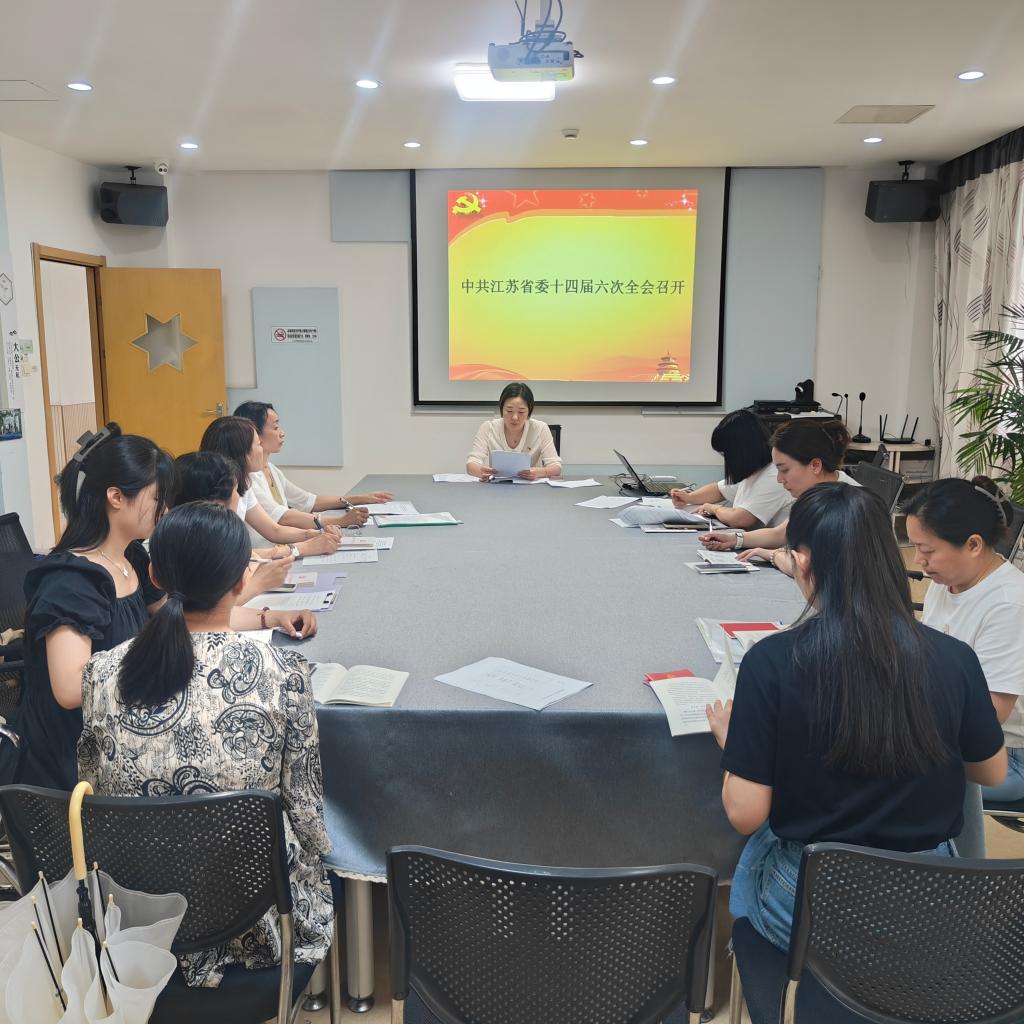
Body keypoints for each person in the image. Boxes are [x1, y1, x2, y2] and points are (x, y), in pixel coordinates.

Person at [705, 484, 1006, 951]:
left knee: (758, 867)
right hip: (933, 901)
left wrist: (737, 748)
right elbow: (990, 771)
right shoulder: (955, 657)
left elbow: (746, 815)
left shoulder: (773, 660)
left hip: (815, 897)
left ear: (802, 561)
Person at [78, 501, 333, 988]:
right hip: (254, 923)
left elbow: (96, 792)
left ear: (155, 575)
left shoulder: (102, 672)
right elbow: (308, 817)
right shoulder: (285, 675)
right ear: (241, 581)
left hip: (139, 923)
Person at [0, 426, 174, 790]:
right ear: (116, 497)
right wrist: (155, 660)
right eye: (157, 497)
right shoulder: (71, 581)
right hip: (72, 761)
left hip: (121, 727)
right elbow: (69, 688)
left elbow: (174, 617)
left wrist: (267, 615)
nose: (165, 510)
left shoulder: (131, 556)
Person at [905, 476, 1024, 803]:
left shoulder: (1009, 604)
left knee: (885, 774)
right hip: (951, 733)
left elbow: (991, 713)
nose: (918, 560)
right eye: (915, 547)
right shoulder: (949, 581)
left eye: (927, 550)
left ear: (973, 545)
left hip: (1005, 754)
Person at [699, 418, 859, 575]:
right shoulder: (814, 492)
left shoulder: (846, 503)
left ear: (815, 465)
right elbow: (780, 534)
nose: (779, 479)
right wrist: (733, 539)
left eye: (784, 470)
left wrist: (772, 555)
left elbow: (810, 568)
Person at [234, 400, 392, 529]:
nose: (282, 433)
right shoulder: (248, 479)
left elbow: (308, 501)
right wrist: (340, 521)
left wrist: (360, 498)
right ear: (253, 433)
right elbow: (283, 517)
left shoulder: (271, 469)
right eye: (275, 427)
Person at [200, 416, 345, 552]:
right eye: (258, 444)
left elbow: (274, 530)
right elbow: (234, 556)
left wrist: (314, 534)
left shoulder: (243, 483)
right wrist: (306, 547)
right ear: (241, 452)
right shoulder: (217, 493)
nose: (261, 449)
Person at [668, 409, 792, 528]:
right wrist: (689, 497)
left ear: (741, 451)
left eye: (726, 454)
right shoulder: (751, 470)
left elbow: (741, 519)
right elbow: (718, 490)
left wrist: (713, 508)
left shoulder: (774, 476)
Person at [466, 382, 562, 480]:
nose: (515, 417)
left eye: (521, 412)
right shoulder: (489, 428)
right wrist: (480, 472)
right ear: (501, 409)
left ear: (529, 411)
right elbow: (471, 464)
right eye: (509, 411)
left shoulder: (540, 429)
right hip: (497, 486)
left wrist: (539, 472)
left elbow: (556, 467)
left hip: (530, 487)